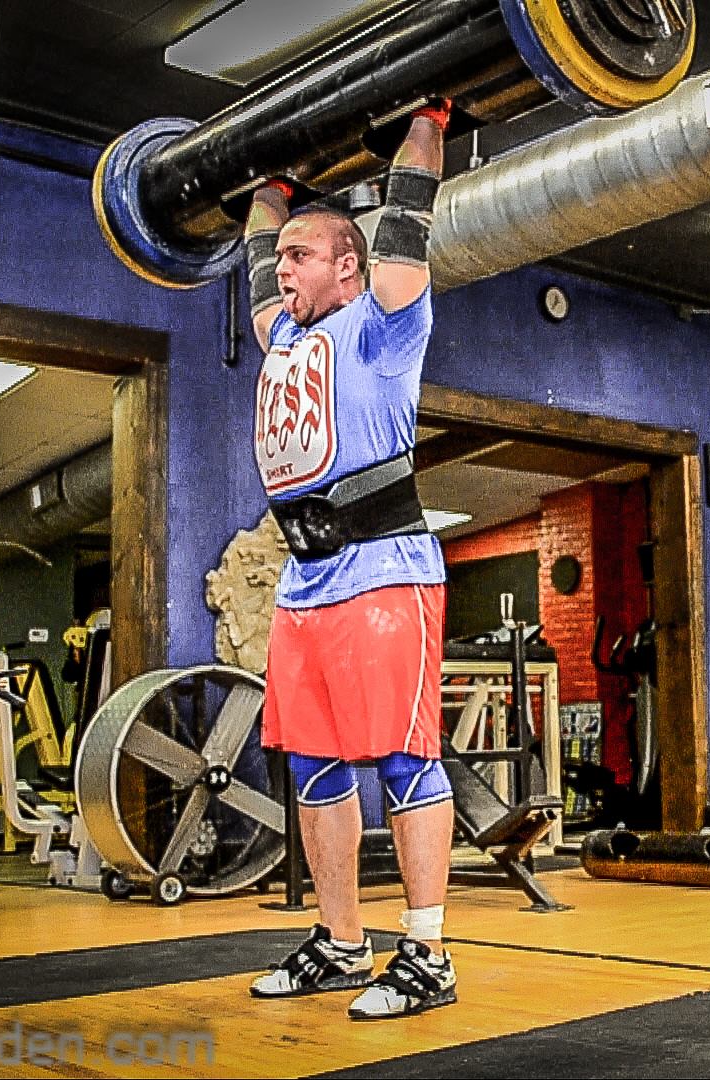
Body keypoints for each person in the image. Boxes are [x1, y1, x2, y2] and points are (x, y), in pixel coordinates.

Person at [241, 100, 456, 1020]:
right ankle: (340, 944)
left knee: (403, 759)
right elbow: (254, 263)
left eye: (301, 255)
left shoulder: (385, 321)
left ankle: (428, 953)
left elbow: (409, 215)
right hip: (307, 579)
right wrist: (263, 181)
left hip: (386, 572)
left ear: (347, 263)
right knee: (316, 765)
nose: (282, 270)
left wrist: (427, 117)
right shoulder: (286, 335)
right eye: (283, 255)